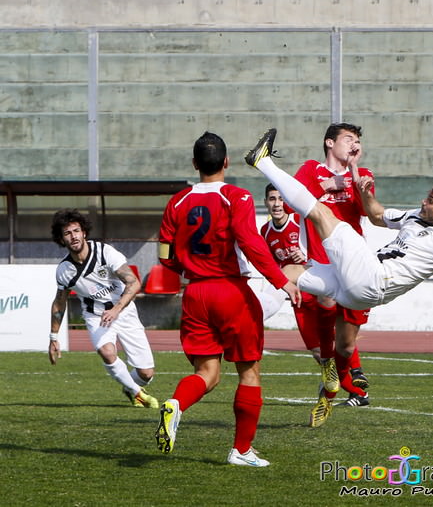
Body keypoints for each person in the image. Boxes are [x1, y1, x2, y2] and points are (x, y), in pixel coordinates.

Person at [246, 127, 433, 331]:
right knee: (289, 273)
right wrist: (365, 192)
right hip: (355, 288)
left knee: (322, 215)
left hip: (373, 280)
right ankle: (243, 323)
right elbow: (377, 215)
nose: (423, 201)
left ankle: (263, 161)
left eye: (431, 201)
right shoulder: (414, 216)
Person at [156, 131, 300, 468]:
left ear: (195, 164)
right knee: (249, 371)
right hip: (231, 291)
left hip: (194, 293)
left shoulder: (176, 202)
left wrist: (186, 266)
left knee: (207, 371)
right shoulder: (237, 196)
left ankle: (176, 404)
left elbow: (164, 254)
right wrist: (282, 281)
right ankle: (241, 450)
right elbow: (250, 241)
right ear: (226, 162)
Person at [292, 123, 373, 424]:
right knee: (324, 301)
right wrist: (326, 186)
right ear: (329, 142)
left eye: (358, 141)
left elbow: (365, 210)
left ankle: (329, 394)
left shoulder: (363, 176)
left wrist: (351, 174)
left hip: (354, 265)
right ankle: (328, 366)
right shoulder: (311, 169)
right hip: (321, 261)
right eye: (348, 139)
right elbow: (296, 198)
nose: (354, 144)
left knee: (347, 345)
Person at [48, 209, 158, 408]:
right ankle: (138, 394)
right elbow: (59, 302)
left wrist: (116, 309)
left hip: (124, 312)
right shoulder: (64, 271)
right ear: (61, 239)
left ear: (84, 233)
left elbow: (133, 283)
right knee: (107, 352)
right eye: (67, 233)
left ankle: (130, 386)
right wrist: (53, 338)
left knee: (146, 373)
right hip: (96, 316)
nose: (73, 236)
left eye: (76, 231)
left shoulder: (105, 253)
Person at [260, 183, 340, 396]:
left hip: (318, 290)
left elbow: (321, 249)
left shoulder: (299, 221)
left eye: (280, 199)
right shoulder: (265, 232)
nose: (277, 204)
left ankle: (356, 389)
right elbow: (272, 265)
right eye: (272, 199)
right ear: (265, 202)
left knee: (336, 344)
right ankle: (337, 385)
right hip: (298, 298)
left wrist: (305, 258)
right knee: (316, 351)